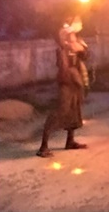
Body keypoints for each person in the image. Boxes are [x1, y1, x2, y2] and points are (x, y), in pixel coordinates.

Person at [37, 17, 88, 157]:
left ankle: (70, 142)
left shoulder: (76, 44)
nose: (73, 40)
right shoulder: (62, 47)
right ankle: (43, 147)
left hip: (75, 82)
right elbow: (65, 68)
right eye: (71, 39)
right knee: (61, 110)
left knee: (75, 110)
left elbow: (85, 56)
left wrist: (81, 49)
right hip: (66, 83)